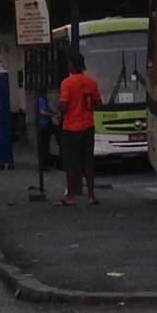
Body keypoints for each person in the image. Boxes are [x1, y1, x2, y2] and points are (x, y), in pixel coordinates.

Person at [57, 51, 101, 206]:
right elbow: (97, 102)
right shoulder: (92, 82)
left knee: (71, 164)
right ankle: (91, 195)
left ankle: (70, 196)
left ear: (72, 64)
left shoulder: (67, 83)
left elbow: (64, 105)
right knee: (88, 161)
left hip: (71, 127)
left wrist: (60, 108)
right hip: (88, 125)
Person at [35, 87, 58, 170]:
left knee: (45, 145)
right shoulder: (42, 100)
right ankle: (43, 165)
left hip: (43, 125)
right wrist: (53, 115)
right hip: (43, 125)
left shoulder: (42, 100)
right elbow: (42, 112)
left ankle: (44, 164)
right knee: (44, 146)